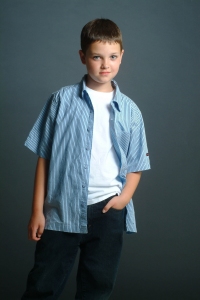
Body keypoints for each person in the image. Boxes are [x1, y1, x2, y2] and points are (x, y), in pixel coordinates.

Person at [21, 18, 150, 300]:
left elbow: (137, 163)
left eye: (113, 57)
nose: (106, 64)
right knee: (43, 286)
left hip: (108, 213)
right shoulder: (60, 101)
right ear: (83, 57)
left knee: (97, 288)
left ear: (121, 57)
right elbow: (44, 157)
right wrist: (37, 211)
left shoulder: (131, 111)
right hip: (60, 211)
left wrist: (123, 199)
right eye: (96, 57)